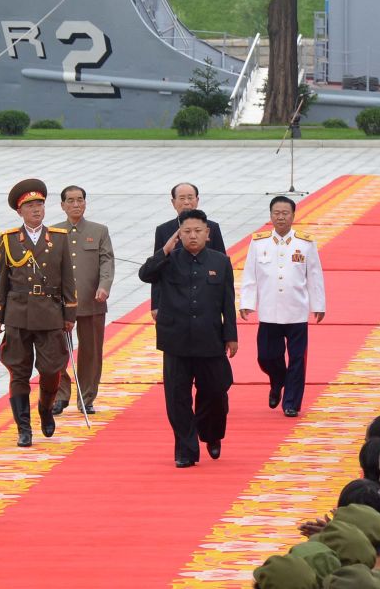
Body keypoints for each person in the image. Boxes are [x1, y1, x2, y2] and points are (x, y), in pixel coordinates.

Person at [138, 208, 238, 467]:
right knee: (177, 398)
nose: (192, 236)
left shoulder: (220, 261)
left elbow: (228, 303)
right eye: (186, 231)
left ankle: (212, 434)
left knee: (216, 391)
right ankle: (185, 449)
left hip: (210, 340)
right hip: (176, 341)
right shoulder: (169, 259)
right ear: (178, 234)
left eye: (197, 231)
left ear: (208, 234)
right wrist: (164, 251)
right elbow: (145, 274)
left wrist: (231, 336)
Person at [0, 178, 77, 447]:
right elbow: (3, 281)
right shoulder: (8, 240)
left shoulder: (59, 239)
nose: (37, 210)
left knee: (52, 369)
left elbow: (67, 280)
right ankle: (23, 428)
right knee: (18, 371)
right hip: (17, 314)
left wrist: (69, 315)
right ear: (20, 211)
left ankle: (45, 407)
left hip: (50, 314)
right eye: (30, 206)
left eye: (39, 204)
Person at [239, 195, 326, 417]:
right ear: (270, 216)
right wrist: (247, 303)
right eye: (276, 213)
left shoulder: (304, 243)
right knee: (266, 356)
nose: (280, 217)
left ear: (293, 216)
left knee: (297, 359)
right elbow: (250, 275)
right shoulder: (259, 242)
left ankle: (291, 403)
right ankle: (278, 381)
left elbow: (314, 276)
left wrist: (318, 305)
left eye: (285, 213)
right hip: (269, 311)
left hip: (296, 311)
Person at [52, 185, 114, 415]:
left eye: (80, 200)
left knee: (91, 352)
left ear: (85, 203)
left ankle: (86, 397)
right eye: (71, 201)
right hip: (60, 303)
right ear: (62, 206)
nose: (76, 204)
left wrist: (104, 287)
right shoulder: (54, 232)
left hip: (92, 300)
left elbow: (107, 261)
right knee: (56, 351)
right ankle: (60, 394)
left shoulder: (99, 231)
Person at [151, 183, 226, 320]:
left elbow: (223, 267)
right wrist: (155, 304)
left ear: (197, 200)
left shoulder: (212, 228)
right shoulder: (163, 230)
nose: (186, 202)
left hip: (205, 298)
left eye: (190, 198)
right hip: (173, 300)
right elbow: (156, 270)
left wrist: (223, 303)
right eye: (182, 198)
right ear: (173, 202)